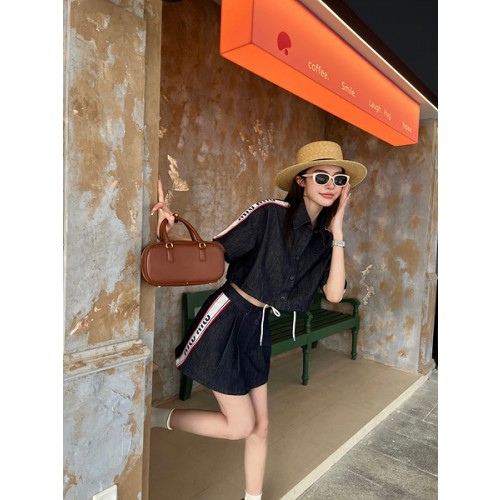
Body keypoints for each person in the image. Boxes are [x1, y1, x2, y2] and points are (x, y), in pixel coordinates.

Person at [150, 140, 367, 500]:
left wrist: (339, 231)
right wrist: (172, 232)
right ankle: (156, 419)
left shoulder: (324, 240)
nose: (331, 185)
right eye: (322, 176)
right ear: (301, 181)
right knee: (240, 425)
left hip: (260, 327)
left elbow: (333, 294)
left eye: (339, 179)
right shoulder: (270, 213)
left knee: (261, 427)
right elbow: (218, 252)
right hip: (228, 317)